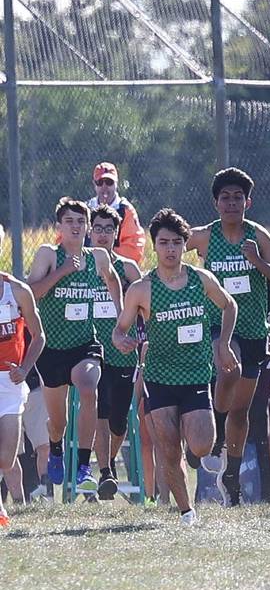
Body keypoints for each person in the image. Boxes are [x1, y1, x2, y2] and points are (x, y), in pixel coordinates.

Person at [113, 209, 239, 525]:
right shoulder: (142, 289)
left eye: (176, 243)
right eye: (164, 243)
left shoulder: (201, 279)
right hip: (159, 377)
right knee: (169, 450)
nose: (171, 249)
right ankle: (186, 512)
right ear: (154, 246)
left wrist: (223, 344)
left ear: (185, 245)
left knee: (201, 444)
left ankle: (194, 451)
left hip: (196, 374)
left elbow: (229, 305)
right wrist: (123, 341)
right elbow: (120, 329)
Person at [188, 167, 270, 505]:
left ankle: (232, 473)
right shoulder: (206, 237)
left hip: (254, 332)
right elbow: (170, 247)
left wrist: (258, 262)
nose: (232, 203)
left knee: (242, 412)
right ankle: (217, 432)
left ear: (247, 202)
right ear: (215, 203)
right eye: (225, 198)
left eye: (238, 197)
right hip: (216, 328)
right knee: (227, 364)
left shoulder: (258, 237)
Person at [28, 196, 123, 495]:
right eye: (69, 221)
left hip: (85, 344)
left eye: (81, 221)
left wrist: (121, 320)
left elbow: (113, 281)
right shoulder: (48, 254)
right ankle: (56, 447)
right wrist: (64, 271)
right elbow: (33, 294)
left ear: (88, 227)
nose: (76, 226)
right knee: (57, 421)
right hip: (52, 349)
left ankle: (84, 466)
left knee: (87, 386)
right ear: (59, 226)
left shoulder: (98, 257)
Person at [86, 203, 146, 500]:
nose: (103, 234)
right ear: (89, 230)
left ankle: (108, 462)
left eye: (109, 229)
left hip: (123, 349)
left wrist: (144, 343)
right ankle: (106, 472)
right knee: (100, 405)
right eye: (97, 228)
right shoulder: (80, 267)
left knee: (119, 417)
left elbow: (147, 308)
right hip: (90, 347)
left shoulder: (128, 268)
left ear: (117, 233)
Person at [0, 269, 45, 528]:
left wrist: (25, 369)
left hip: (11, 381)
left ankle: (12, 503)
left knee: (6, 457)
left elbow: (39, 336)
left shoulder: (17, 290)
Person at [86, 161, 145, 263]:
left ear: (116, 184)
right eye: (100, 183)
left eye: (109, 182)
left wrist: (105, 259)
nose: (104, 187)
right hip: (86, 268)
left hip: (117, 267)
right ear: (94, 184)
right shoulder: (85, 209)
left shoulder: (126, 211)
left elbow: (133, 249)